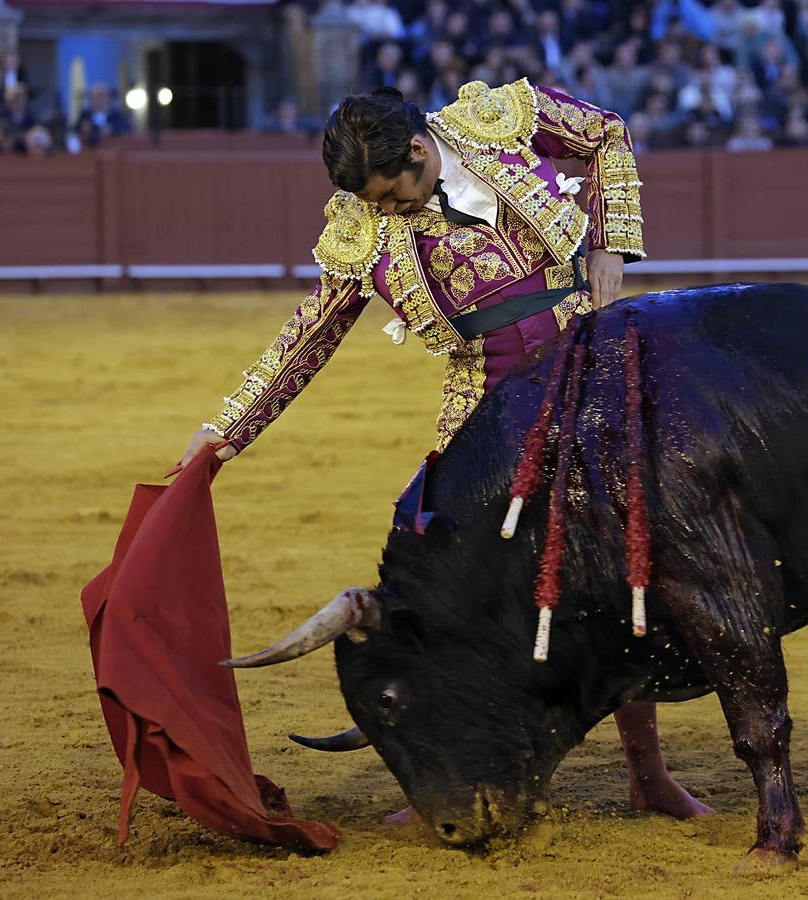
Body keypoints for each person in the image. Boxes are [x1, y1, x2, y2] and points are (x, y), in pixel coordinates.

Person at [176, 80, 712, 823]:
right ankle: (471, 761)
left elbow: (609, 133)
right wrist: (226, 430)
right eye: (374, 203)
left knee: (624, 565)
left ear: (422, 151)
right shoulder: (360, 229)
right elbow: (306, 339)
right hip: (483, 409)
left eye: (393, 194)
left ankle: (647, 778)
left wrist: (610, 241)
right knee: (459, 585)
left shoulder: (497, 121)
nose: (386, 212)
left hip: (586, 367)